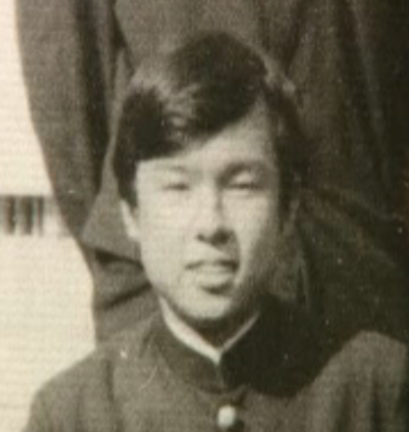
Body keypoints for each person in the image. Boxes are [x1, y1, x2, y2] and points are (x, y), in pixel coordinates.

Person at [24, 33, 407, 432]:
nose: (210, 225)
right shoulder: (72, 414)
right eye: (178, 187)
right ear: (131, 214)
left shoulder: (377, 392)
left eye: (241, 185)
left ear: (288, 208)